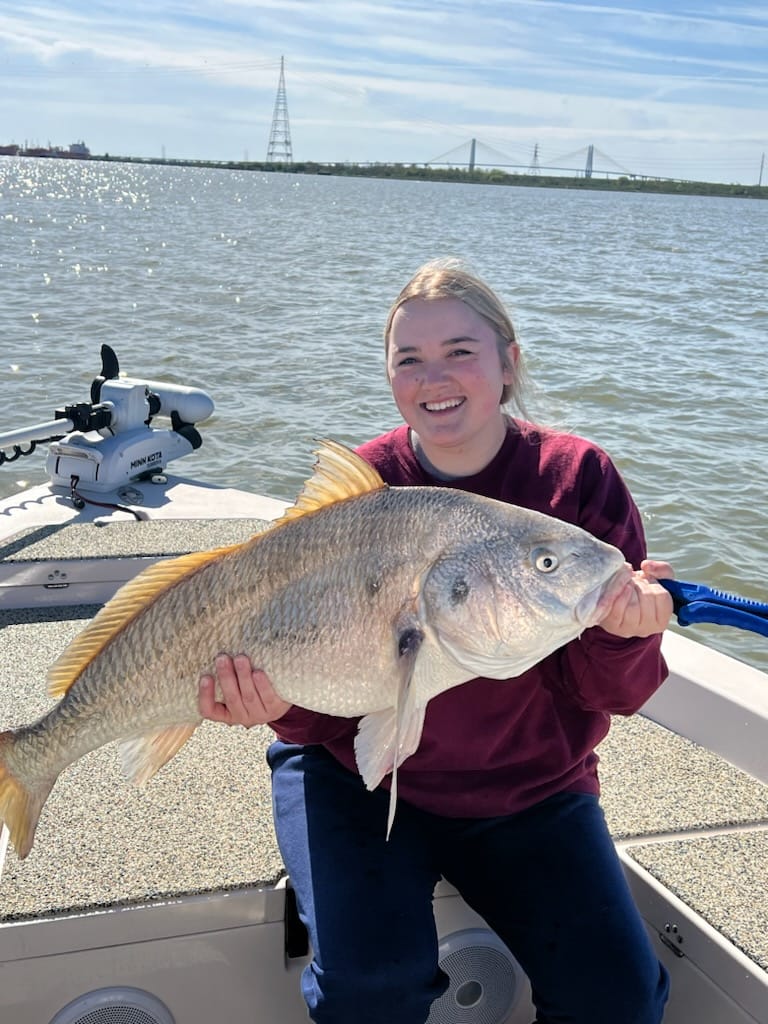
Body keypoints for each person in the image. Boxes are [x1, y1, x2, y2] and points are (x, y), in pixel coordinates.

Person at [199, 258, 674, 1024]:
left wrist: (624, 635)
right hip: (351, 774)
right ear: (389, 375)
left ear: (509, 364)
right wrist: (277, 704)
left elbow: (611, 693)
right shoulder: (365, 490)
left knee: (617, 997)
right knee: (370, 987)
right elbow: (318, 707)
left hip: (530, 789)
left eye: (460, 351)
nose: (435, 377)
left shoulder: (576, 478)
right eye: (408, 359)